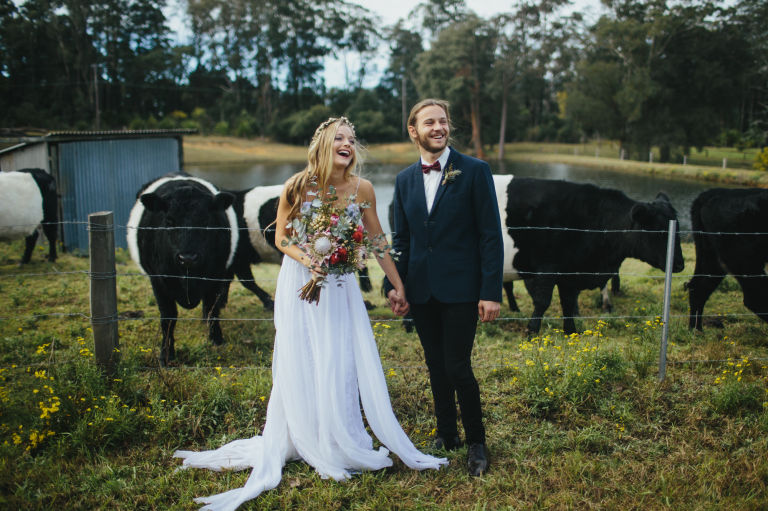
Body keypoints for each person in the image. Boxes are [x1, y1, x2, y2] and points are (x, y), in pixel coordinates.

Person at [173, 117, 446, 511]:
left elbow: (377, 240)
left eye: (352, 139)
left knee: (340, 354)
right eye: (339, 138)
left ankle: (337, 435)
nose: (348, 144)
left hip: (341, 287)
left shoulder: (362, 189)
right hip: (301, 282)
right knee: (302, 355)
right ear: (322, 144)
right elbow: (282, 236)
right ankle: (304, 434)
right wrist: (309, 258)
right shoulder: (298, 186)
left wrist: (397, 284)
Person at [383, 99, 503, 477]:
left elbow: (490, 236)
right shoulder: (403, 180)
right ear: (413, 130)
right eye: (429, 122)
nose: (439, 127)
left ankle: (477, 443)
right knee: (435, 365)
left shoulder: (475, 171)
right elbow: (401, 239)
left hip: (462, 289)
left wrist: (490, 291)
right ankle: (447, 434)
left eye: (443, 121)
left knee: (457, 366)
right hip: (421, 290)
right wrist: (393, 284)